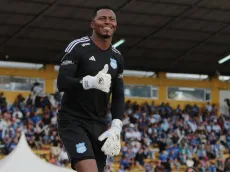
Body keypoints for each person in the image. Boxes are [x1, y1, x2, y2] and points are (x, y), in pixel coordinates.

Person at [56, 5, 124, 172]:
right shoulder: (78, 47)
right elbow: (62, 82)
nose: (107, 22)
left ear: (115, 25)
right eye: (102, 18)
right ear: (92, 24)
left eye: (111, 19)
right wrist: (89, 82)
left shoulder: (117, 56)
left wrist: (116, 127)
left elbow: (118, 95)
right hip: (73, 121)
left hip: (99, 124)